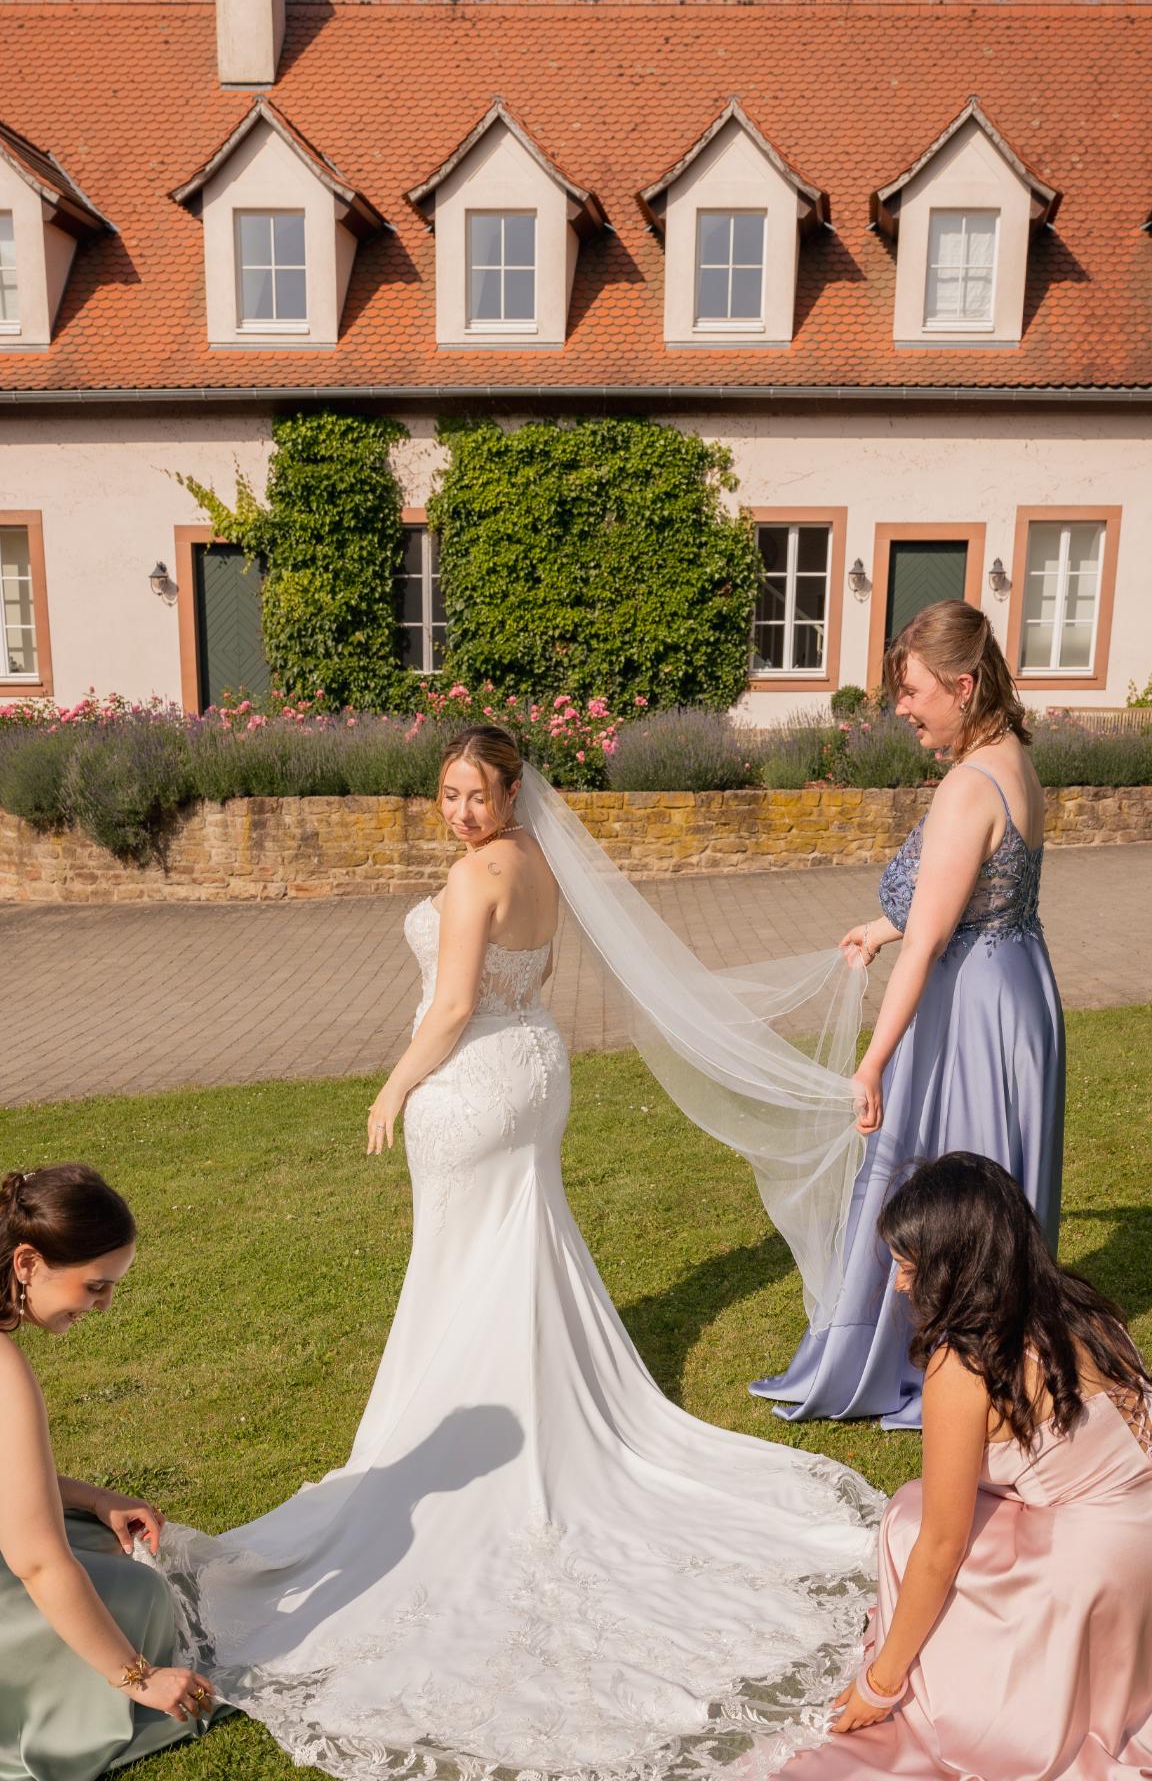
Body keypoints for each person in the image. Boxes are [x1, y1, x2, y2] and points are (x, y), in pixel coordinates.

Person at [157, 724, 883, 1781]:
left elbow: (451, 1005)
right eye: (447, 794)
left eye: (475, 792)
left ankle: (458, 1435)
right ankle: (522, 1407)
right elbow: (519, 983)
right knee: (518, 1250)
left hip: (472, 1085)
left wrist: (391, 1087)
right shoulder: (539, 861)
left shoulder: (473, 879)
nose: (459, 811)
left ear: (509, 791)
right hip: (535, 1069)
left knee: (459, 1265)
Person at [752, 600, 1064, 1429]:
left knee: (940, 1170)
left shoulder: (968, 787)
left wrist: (872, 1061)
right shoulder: (1013, 758)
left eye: (913, 691)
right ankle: (998, 1341)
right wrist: (888, 924)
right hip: (1017, 986)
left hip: (971, 1005)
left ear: (963, 686)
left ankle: (943, 1355)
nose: (901, 708)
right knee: (992, 1171)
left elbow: (931, 945)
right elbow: (973, 897)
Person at [783, 1151, 1152, 1780]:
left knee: (909, 1518)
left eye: (908, 1266)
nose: (899, 1284)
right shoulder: (1088, 1311)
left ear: (953, 1268)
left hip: (1098, 1576)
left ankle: (988, 1691)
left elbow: (943, 1544)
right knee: (928, 1502)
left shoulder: (965, 1364)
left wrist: (881, 1682)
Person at [0, 1161, 220, 1781]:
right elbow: (36, 1560)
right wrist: (137, 1678)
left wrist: (91, 1497)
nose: (106, 1304)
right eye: (95, 1286)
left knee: (103, 1552)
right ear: (28, 1262)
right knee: (132, 1596)